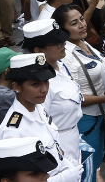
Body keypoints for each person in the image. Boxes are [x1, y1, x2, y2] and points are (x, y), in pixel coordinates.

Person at [18, 19, 84, 178]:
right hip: (59, 144)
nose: (63, 45)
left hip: (73, 137)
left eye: (62, 41)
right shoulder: (39, 85)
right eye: (57, 43)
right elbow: (41, 123)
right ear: (38, 50)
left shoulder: (59, 65)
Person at [54, 5, 105, 180]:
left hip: (99, 115)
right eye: (74, 23)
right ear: (63, 30)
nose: (82, 25)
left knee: (97, 163)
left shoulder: (84, 42)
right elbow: (74, 97)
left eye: (82, 19)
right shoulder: (66, 56)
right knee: (88, 169)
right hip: (86, 120)